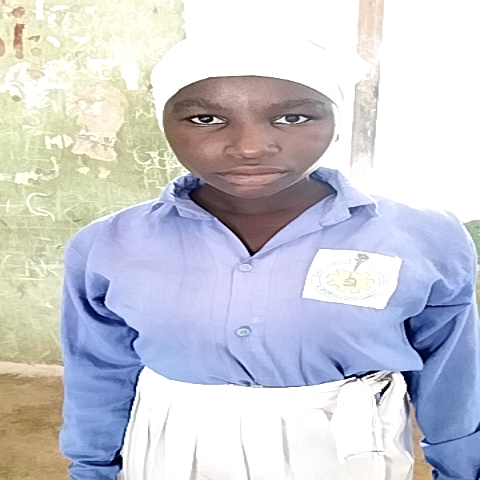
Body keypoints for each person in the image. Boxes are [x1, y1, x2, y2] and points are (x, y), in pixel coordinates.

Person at [59, 35, 480, 480]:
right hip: (172, 451)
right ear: (164, 124)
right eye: (206, 119)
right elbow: (98, 371)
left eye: (292, 117)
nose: (250, 147)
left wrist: (462, 470)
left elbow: (451, 370)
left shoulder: (421, 236)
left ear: (336, 121)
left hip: (348, 456)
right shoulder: (109, 244)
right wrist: (92, 467)